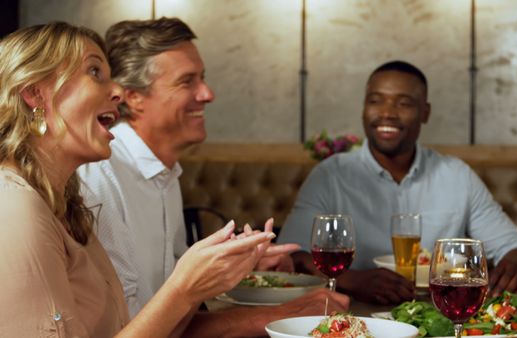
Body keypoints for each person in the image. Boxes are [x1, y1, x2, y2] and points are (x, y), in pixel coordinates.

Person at [0, 21, 277, 338]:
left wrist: (213, 275)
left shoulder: (68, 206)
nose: (117, 90)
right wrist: (186, 287)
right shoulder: (14, 208)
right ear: (36, 94)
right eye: (94, 73)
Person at [77, 17, 348, 337]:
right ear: (132, 98)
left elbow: (174, 303)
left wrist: (242, 268)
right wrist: (283, 316)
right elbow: (134, 326)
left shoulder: (165, 174)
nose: (207, 94)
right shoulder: (99, 173)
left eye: (202, 78)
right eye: (187, 81)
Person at [278, 60, 517, 304]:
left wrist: (513, 270)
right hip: (352, 315)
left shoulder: (457, 175)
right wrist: (353, 280)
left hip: (439, 315)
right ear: (363, 109)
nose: (387, 113)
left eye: (403, 103)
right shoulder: (330, 176)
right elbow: (292, 254)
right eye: (376, 101)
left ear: (425, 112)